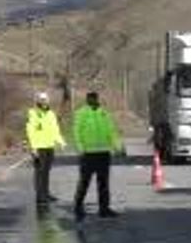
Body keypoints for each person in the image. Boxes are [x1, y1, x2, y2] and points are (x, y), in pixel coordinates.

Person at [72, 90, 124, 221]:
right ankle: (78, 207)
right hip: (87, 154)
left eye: (95, 99)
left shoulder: (104, 113)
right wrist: (80, 149)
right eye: (90, 99)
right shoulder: (81, 113)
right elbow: (76, 132)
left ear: (97, 99)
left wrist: (119, 147)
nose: (93, 101)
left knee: (103, 183)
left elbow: (111, 132)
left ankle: (104, 209)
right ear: (87, 100)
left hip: (103, 153)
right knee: (84, 182)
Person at [25, 91, 66, 207]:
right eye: (41, 100)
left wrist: (61, 142)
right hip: (38, 148)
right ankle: (40, 196)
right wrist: (33, 148)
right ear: (37, 101)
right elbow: (30, 131)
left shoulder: (51, 114)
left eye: (45, 99)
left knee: (46, 172)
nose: (44, 102)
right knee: (39, 172)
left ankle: (46, 193)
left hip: (49, 146)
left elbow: (55, 130)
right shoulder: (32, 113)